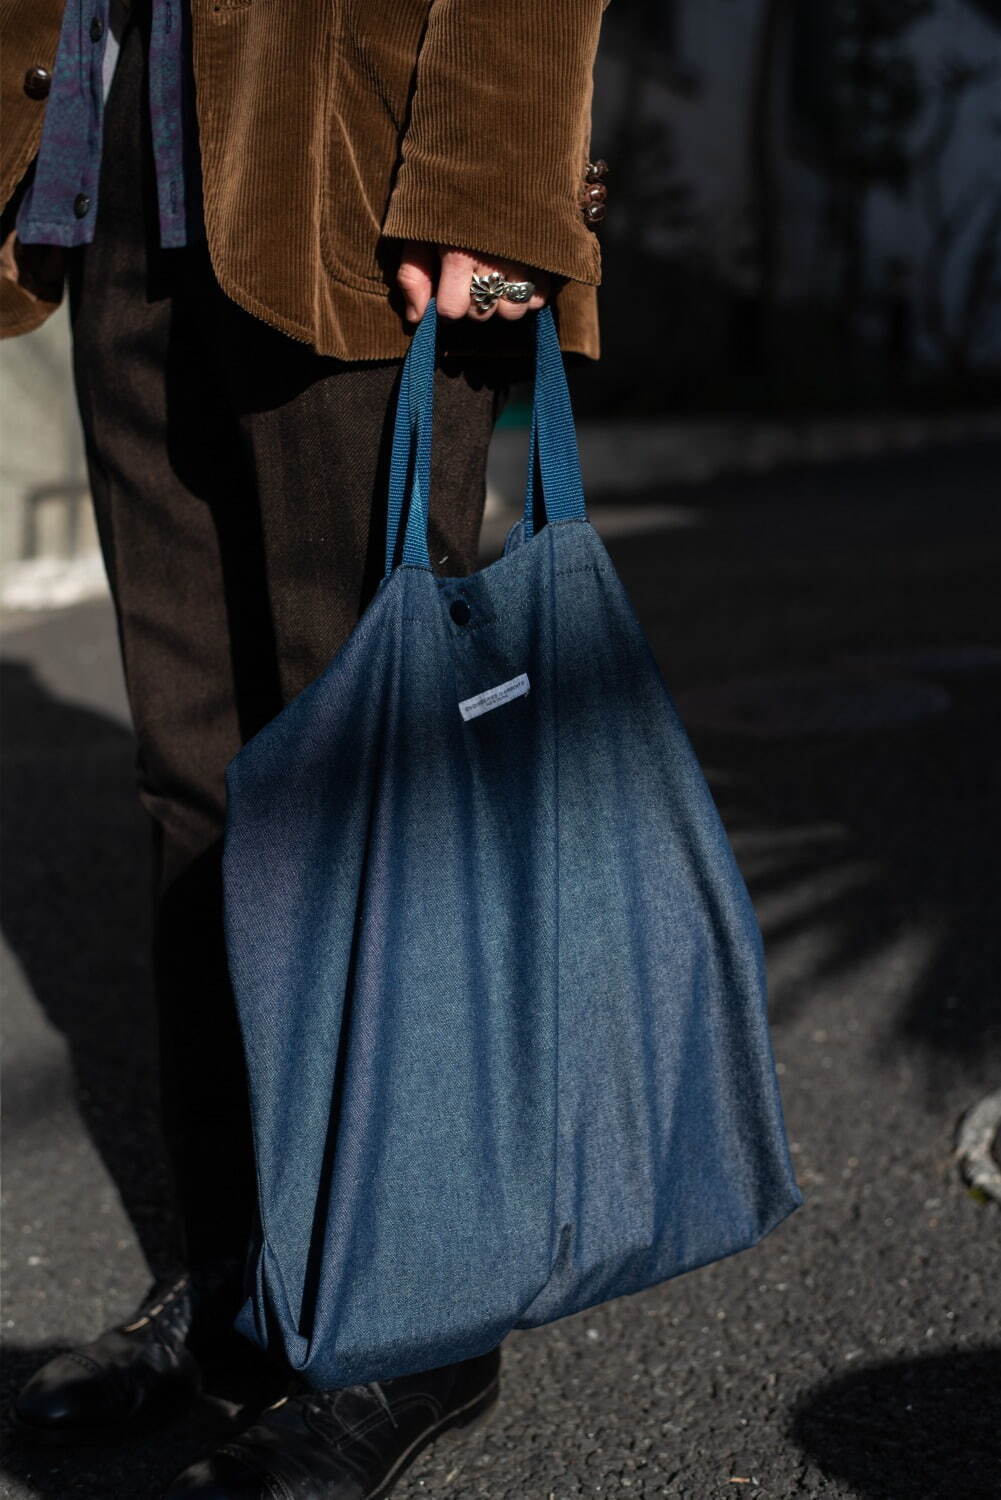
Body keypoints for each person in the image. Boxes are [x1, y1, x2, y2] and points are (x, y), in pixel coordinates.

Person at [1, 1, 609, 1494]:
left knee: (368, 768)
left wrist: (486, 181)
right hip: (117, 168)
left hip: (354, 166)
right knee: (195, 772)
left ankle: (421, 1315)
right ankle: (245, 1277)